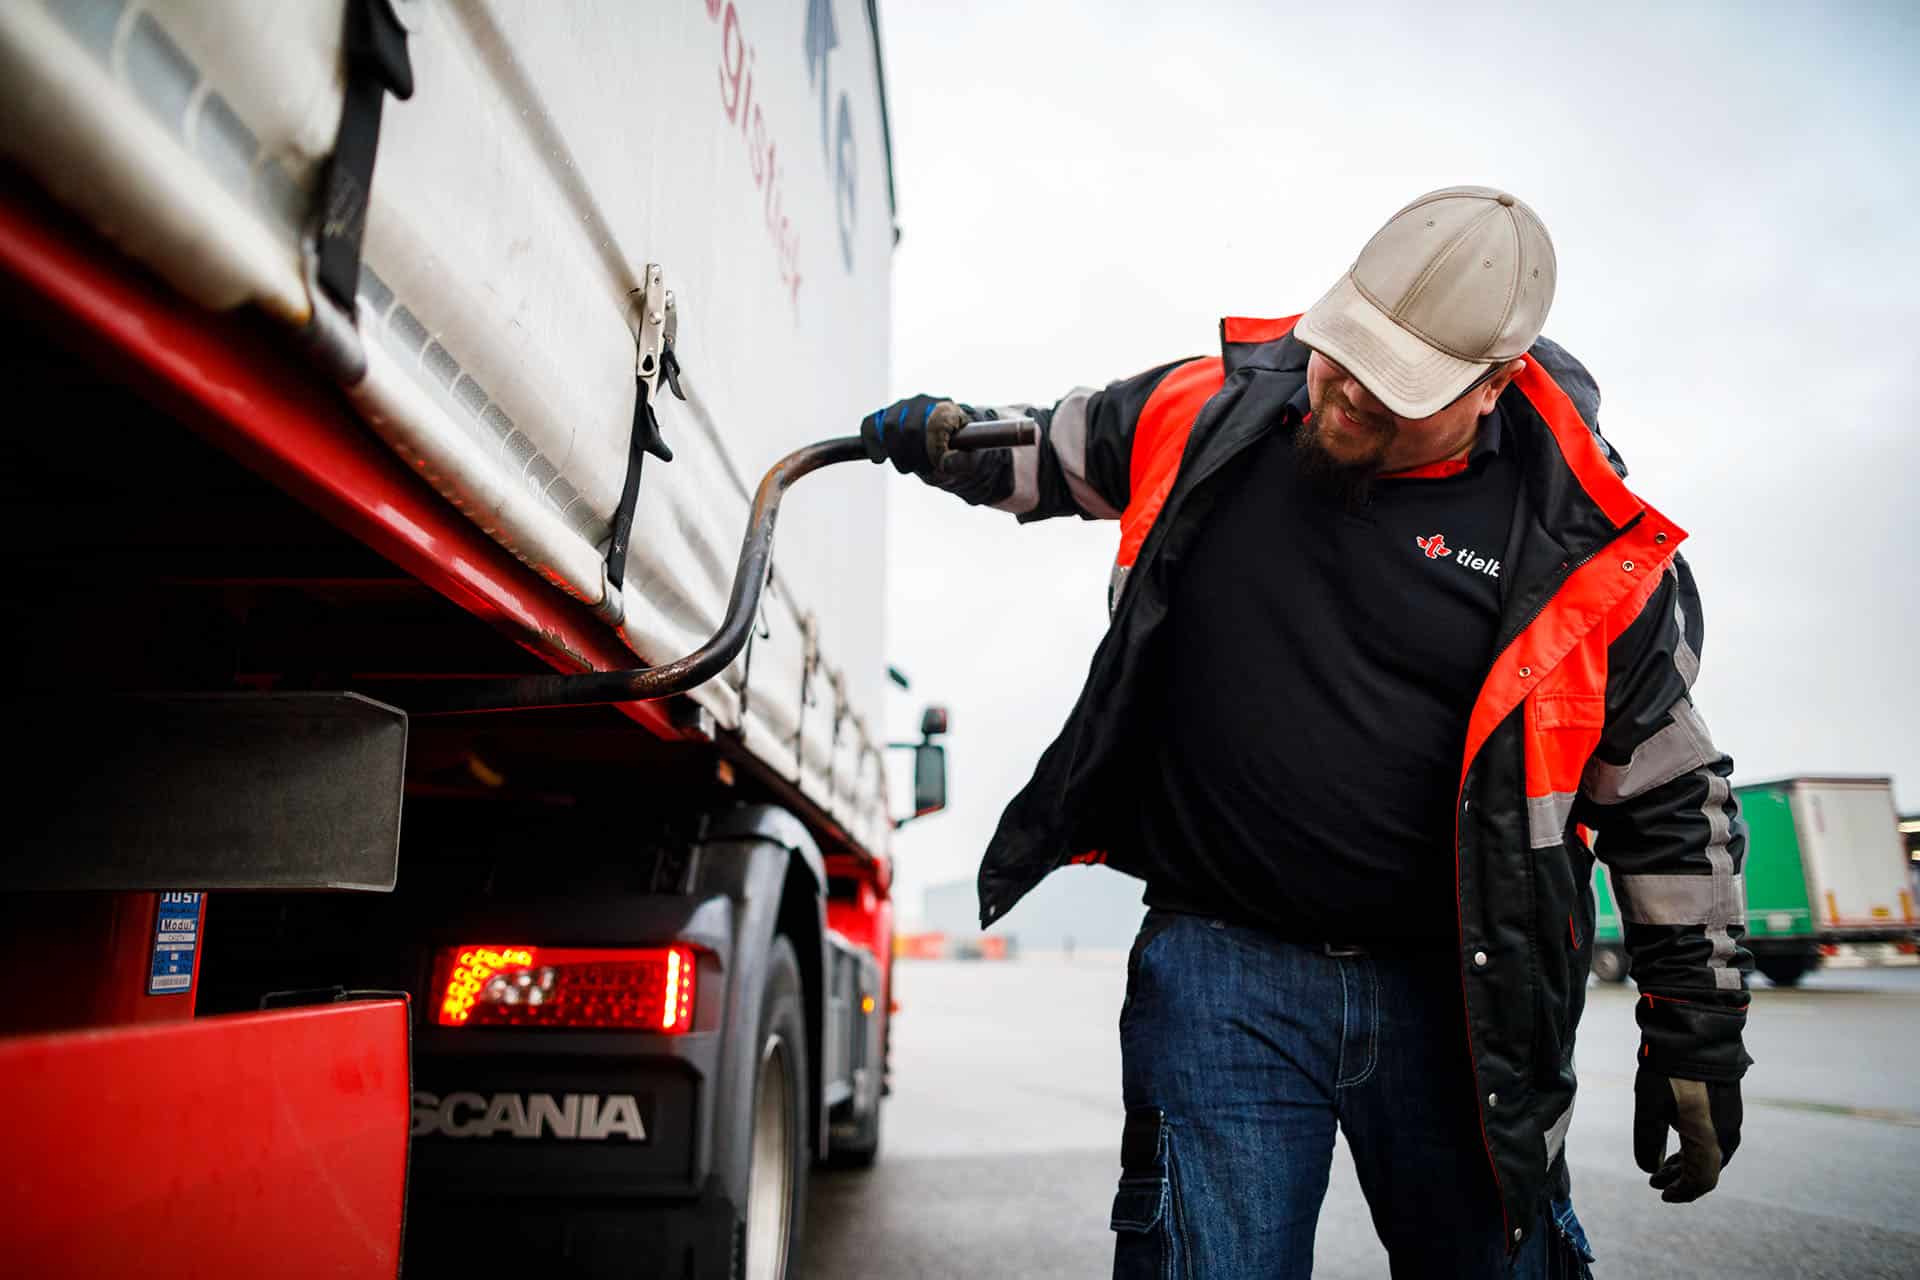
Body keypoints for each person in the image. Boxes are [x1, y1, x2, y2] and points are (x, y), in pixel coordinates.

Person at [861, 187, 1752, 1278]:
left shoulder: (1585, 550)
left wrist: (1694, 1027)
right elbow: (1058, 448)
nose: (1347, 395)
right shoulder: (1216, 409)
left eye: (1397, 385)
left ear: (1493, 387)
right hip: (1222, 966)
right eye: (1344, 353)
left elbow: (1668, 800)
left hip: (1460, 1001)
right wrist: (951, 440)